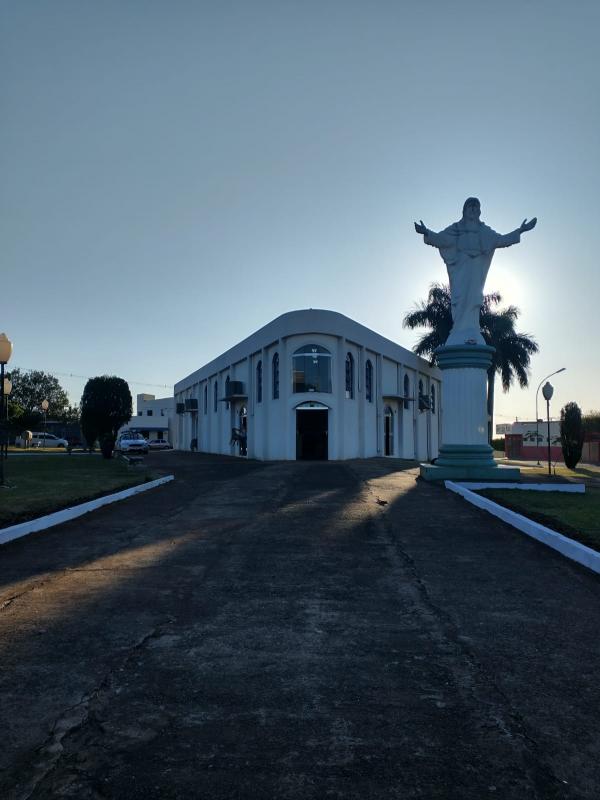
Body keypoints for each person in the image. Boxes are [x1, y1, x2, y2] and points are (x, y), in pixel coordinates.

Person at [414, 198, 536, 345]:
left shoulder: (484, 231)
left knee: (474, 297)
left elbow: (500, 240)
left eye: (475, 207)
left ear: (479, 211)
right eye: (470, 207)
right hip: (461, 268)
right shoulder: (456, 229)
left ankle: (472, 328)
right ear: (464, 211)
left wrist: (520, 230)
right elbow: (441, 239)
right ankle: (459, 329)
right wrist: (426, 232)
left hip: (476, 268)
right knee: (459, 297)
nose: (472, 210)